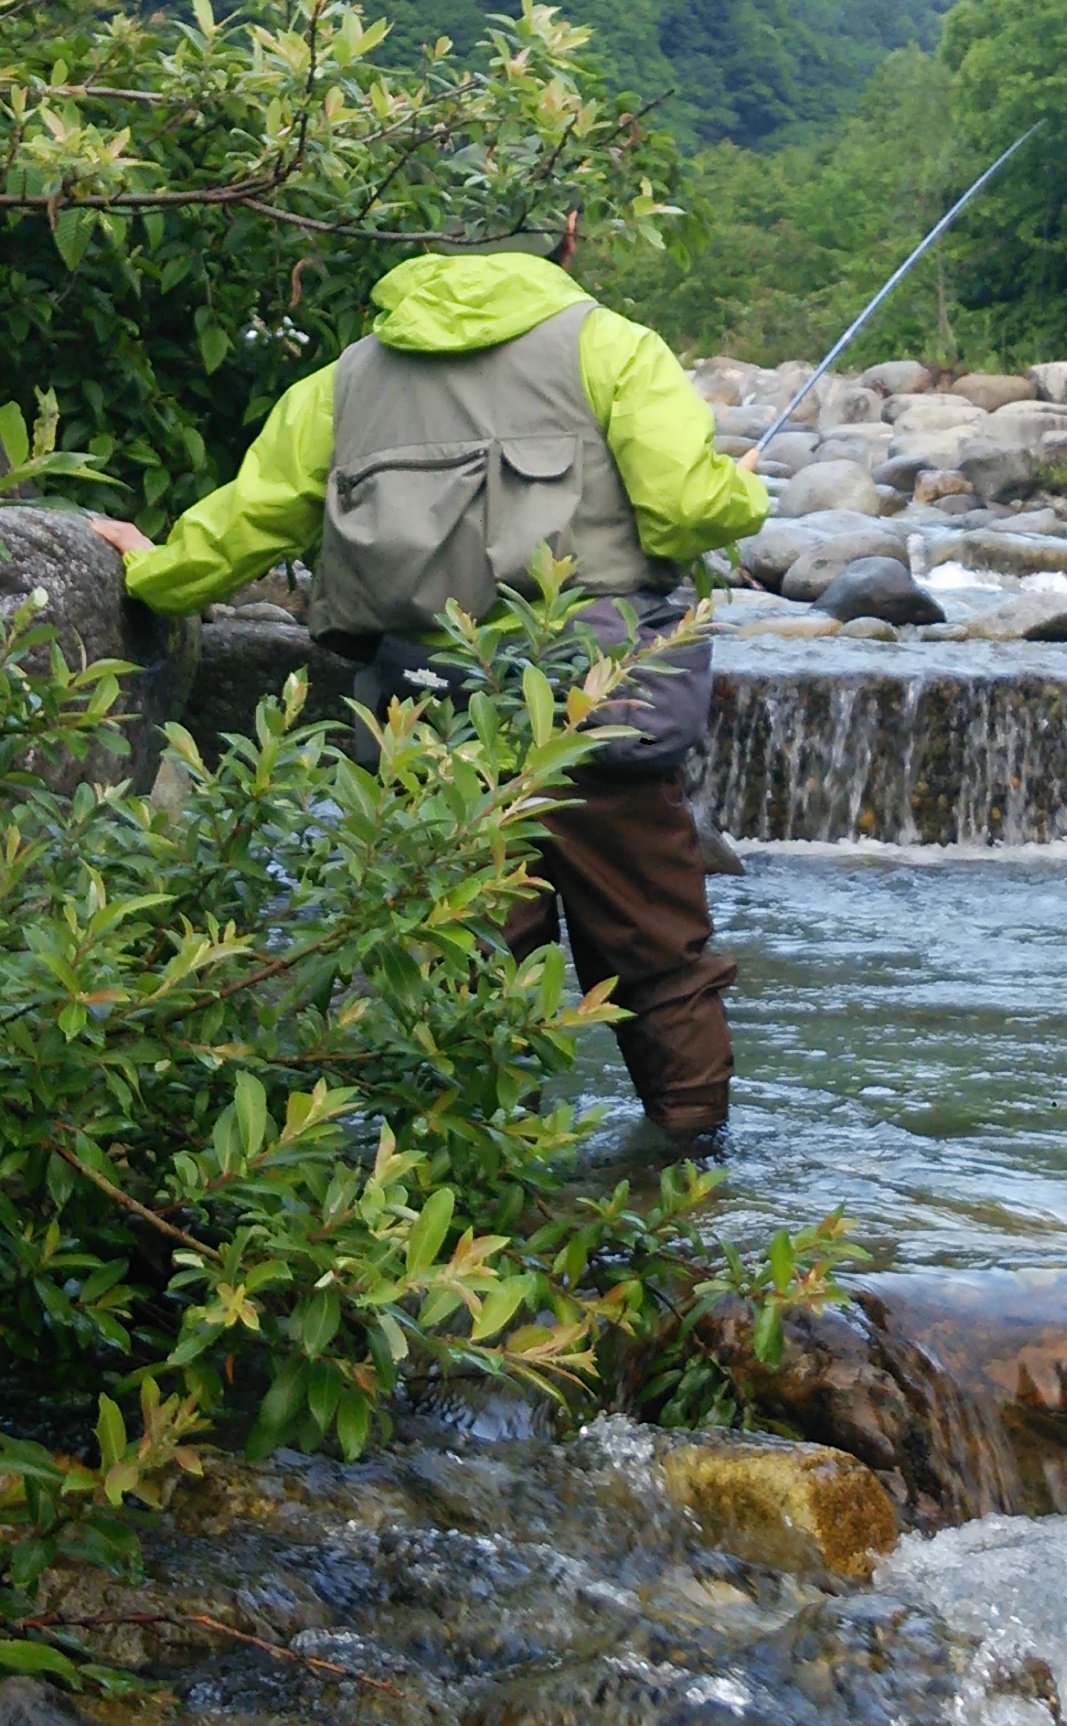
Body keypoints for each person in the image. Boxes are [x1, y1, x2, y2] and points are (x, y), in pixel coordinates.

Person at [91, 240, 767, 1141]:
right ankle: (686, 1171)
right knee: (660, 959)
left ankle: (476, 1169)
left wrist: (152, 571)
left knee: (468, 960)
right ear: (556, 260)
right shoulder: (612, 346)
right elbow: (688, 509)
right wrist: (740, 495)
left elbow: (251, 518)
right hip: (598, 709)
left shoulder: (346, 380)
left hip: (425, 716)